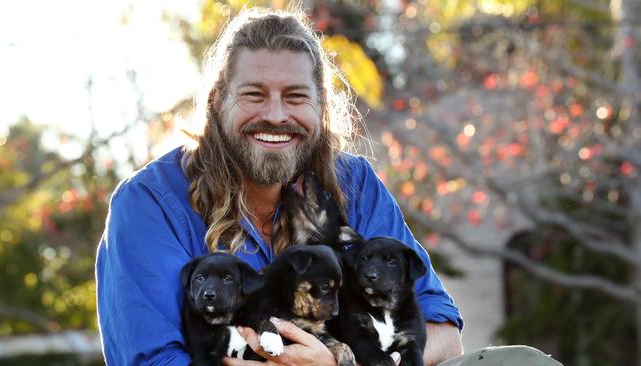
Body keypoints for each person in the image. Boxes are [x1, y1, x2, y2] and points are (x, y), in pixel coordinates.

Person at [96, 8, 464, 366]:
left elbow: (444, 333)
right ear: (218, 100)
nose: (275, 115)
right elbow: (153, 359)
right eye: (255, 95)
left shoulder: (356, 184)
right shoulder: (149, 203)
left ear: (320, 104)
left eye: (295, 96)